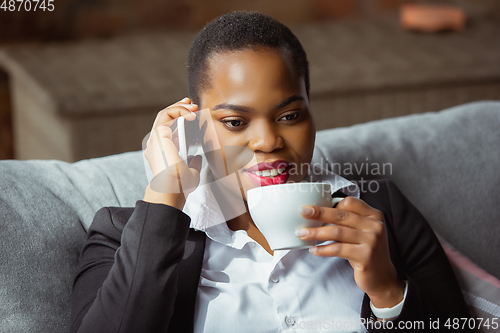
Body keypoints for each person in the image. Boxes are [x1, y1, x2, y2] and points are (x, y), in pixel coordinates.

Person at [70, 11, 471, 332]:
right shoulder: (122, 237)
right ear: (194, 128)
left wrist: (388, 293)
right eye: (235, 122)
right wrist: (167, 190)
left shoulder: (381, 214)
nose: (267, 141)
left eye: (290, 115)